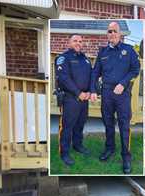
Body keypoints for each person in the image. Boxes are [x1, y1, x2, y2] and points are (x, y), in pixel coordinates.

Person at [90, 22, 140, 174]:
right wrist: (92, 90)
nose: (112, 33)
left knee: (124, 125)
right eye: (109, 31)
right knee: (108, 123)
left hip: (122, 94)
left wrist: (123, 84)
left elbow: (135, 69)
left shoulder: (129, 50)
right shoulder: (102, 52)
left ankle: (126, 157)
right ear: (107, 34)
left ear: (120, 34)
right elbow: (95, 73)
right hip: (106, 93)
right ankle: (110, 148)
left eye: (114, 31)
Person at [55, 34, 91, 166]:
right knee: (67, 126)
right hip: (70, 98)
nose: (78, 43)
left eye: (80, 41)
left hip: (84, 99)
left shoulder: (85, 59)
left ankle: (78, 145)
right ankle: (64, 152)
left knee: (80, 123)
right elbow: (63, 79)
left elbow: (91, 76)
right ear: (69, 43)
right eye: (75, 41)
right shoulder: (63, 58)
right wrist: (78, 93)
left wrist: (90, 92)